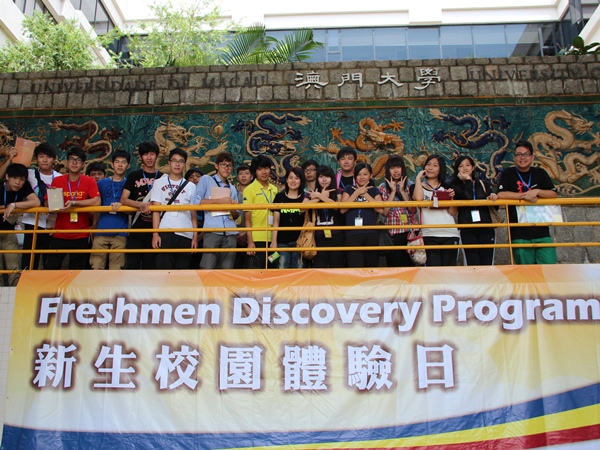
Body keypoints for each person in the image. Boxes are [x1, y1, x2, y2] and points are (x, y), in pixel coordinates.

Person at [0, 143, 61, 270]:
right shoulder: (29, 174)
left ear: (54, 159)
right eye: (41, 156)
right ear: (36, 159)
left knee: (50, 264)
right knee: (28, 264)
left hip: (51, 225)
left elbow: (60, 203)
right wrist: (10, 159)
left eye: (48, 156)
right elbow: (7, 175)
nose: (45, 160)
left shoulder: (60, 178)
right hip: (31, 223)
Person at [497, 140, 558, 264]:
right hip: (519, 232)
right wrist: (525, 196)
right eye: (519, 154)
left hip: (541, 230)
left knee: (549, 266)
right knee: (525, 270)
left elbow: (553, 194)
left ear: (532, 157)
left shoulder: (540, 173)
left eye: (526, 154)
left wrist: (537, 192)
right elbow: (501, 194)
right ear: (514, 157)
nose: (522, 158)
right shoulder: (508, 173)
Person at [45, 146, 101, 270]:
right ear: (67, 162)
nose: (74, 163)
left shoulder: (89, 181)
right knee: (51, 268)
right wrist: (52, 197)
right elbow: (46, 205)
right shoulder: (58, 180)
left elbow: (97, 201)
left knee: (76, 272)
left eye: (78, 160)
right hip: (59, 233)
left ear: (83, 164)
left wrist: (75, 203)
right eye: (71, 159)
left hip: (81, 234)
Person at [151, 148, 197, 269]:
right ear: (169, 163)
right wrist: (155, 234)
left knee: (182, 270)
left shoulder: (191, 186)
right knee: (164, 269)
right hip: (165, 230)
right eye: (174, 160)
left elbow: (193, 214)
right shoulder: (159, 183)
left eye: (181, 161)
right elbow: (156, 211)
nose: (177, 164)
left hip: (185, 232)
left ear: (185, 164)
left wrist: (195, 237)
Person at [121, 141, 164, 269]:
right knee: (132, 264)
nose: (149, 157)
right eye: (145, 154)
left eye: (152, 154)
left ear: (157, 156)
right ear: (140, 156)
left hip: (156, 229)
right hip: (137, 227)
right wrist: (140, 205)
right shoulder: (134, 176)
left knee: (150, 266)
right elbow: (123, 199)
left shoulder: (163, 178)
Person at [411, 154, 460, 266]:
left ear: (440, 169)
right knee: (433, 270)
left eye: (435, 165)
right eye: (428, 164)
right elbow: (418, 199)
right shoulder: (416, 186)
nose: (430, 168)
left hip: (449, 233)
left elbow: (452, 212)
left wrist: (452, 197)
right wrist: (418, 178)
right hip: (429, 234)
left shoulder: (447, 187)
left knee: (449, 271)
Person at [194, 152, 239, 269]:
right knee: (208, 267)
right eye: (223, 164)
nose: (226, 168)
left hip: (230, 232)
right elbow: (197, 202)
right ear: (216, 166)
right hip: (212, 230)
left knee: (227, 269)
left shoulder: (232, 188)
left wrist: (233, 207)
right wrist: (220, 201)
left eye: (229, 165)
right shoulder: (206, 180)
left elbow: (236, 216)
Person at [451, 155, 498, 266]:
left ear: (472, 167)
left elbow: (494, 207)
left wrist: (493, 198)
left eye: (468, 165)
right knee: (473, 263)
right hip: (467, 227)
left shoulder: (482, 183)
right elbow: (468, 198)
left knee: (487, 263)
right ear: (457, 169)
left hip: (485, 227)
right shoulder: (455, 186)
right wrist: (468, 181)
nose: (465, 168)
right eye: (461, 166)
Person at [0, 163, 40, 285]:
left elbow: (36, 202)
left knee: (14, 268)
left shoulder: (24, 186)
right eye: (14, 178)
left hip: (8, 232)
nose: (18, 182)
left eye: (22, 179)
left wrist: (14, 205)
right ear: (7, 177)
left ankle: (14, 295)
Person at [90, 150, 130, 270]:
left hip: (121, 231)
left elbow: (132, 210)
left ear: (128, 165)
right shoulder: (102, 183)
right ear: (112, 164)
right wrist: (94, 226)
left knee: (116, 268)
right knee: (96, 266)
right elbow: (95, 204)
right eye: (117, 162)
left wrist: (122, 206)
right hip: (101, 230)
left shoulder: (129, 183)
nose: (120, 165)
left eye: (123, 162)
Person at [341, 162, 384, 267]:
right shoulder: (349, 189)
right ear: (355, 176)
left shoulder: (374, 190)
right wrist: (357, 193)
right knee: (355, 265)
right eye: (359, 174)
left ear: (371, 175)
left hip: (370, 232)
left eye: (365, 174)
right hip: (352, 233)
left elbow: (381, 209)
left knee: (371, 266)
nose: (362, 177)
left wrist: (365, 194)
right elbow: (342, 209)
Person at [304, 165, 345, 268]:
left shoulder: (337, 192)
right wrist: (319, 196)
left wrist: (320, 196)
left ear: (332, 178)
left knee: (336, 266)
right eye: (321, 176)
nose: (324, 179)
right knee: (320, 266)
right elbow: (302, 208)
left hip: (335, 235)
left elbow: (337, 207)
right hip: (318, 236)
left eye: (327, 176)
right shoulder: (312, 193)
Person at [378, 154, 415, 267]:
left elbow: (412, 210)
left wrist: (402, 191)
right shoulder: (383, 187)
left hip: (409, 231)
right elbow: (385, 212)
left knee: (409, 265)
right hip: (392, 231)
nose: (396, 171)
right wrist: (393, 191)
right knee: (394, 264)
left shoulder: (410, 185)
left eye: (398, 167)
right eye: (392, 168)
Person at [243, 155, 278, 268]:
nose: (264, 172)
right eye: (259, 169)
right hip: (257, 238)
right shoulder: (249, 190)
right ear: (255, 171)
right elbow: (247, 219)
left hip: (273, 240)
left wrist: (275, 240)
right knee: (258, 269)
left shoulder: (274, 189)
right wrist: (250, 242)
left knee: (272, 267)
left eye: (266, 168)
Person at [271, 167, 305, 269]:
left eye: (297, 178)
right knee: (281, 269)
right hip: (282, 241)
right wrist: (274, 241)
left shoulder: (305, 198)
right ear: (286, 180)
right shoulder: (279, 197)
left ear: (301, 181)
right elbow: (276, 221)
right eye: (291, 178)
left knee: (298, 271)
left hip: (299, 242)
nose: (293, 181)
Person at [234, 163, 252, 268]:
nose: (244, 176)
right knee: (236, 265)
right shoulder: (233, 195)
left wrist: (246, 234)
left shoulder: (255, 195)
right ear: (237, 177)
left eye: (246, 173)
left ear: (252, 176)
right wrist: (237, 233)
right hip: (235, 235)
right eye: (241, 174)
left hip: (252, 235)